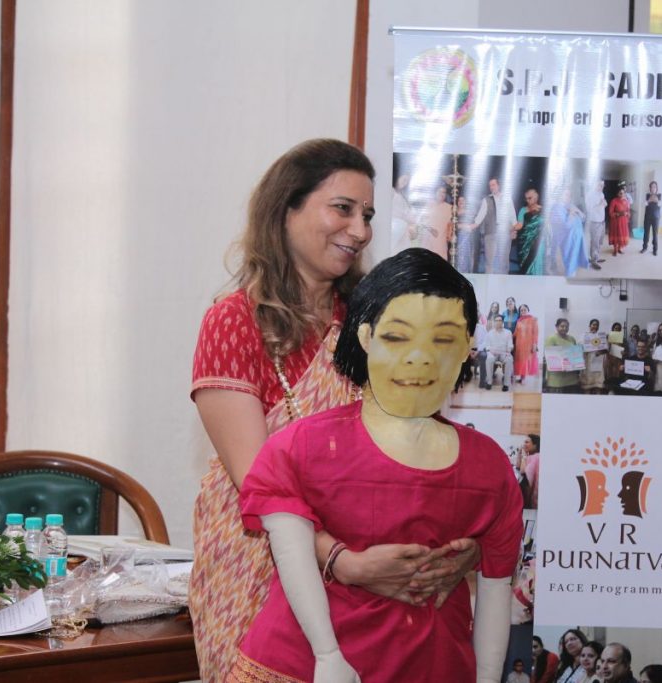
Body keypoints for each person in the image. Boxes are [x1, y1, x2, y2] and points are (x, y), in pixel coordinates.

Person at [189, 140, 477, 681]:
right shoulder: (234, 323)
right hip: (262, 564)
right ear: (287, 209)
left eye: (366, 214)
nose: (361, 229)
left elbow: (421, 445)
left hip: (377, 577)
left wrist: (457, 551)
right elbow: (258, 485)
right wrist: (342, 562)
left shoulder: (376, 321)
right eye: (342, 208)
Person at [232, 248, 523, 682]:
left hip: (432, 664)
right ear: (366, 337)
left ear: (467, 347)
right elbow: (290, 554)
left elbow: (498, 584)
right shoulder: (302, 447)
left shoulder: (489, 467)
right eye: (397, 336)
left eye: (443, 339)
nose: (421, 357)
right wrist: (327, 654)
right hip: (302, 666)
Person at [472, 177, 519, 274]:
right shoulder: (486, 200)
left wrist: (514, 230)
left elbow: (512, 216)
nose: (491, 187)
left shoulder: (507, 198)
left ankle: (503, 285)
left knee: (504, 261)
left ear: (499, 185)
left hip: (505, 234)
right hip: (490, 234)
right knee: (490, 261)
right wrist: (473, 225)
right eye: (490, 185)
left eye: (493, 185)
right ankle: (489, 285)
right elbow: (480, 216)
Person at [552, 188, 590, 276]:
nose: (568, 197)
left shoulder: (570, 205)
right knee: (570, 263)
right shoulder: (556, 208)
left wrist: (578, 212)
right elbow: (565, 226)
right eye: (566, 194)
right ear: (559, 195)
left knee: (576, 259)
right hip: (568, 241)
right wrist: (571, 214)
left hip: (577, 238)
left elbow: (583, 218)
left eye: (569, 195)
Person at [545, 318, 581, 393]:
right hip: (557, 379)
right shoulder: (551, 339)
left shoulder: (572, 339)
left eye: (567, 326)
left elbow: (575, 356)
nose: (564, 328)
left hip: (572, 378)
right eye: (562, 326)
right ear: (556, 327)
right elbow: (548, 358)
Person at [480, 314, 514, 391]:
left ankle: (506, 384)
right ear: (494, 322)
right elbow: (487, 345)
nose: (498, 322)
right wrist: (490, 351)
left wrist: (508, 351)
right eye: (496, 320)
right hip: (493, 352)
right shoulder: (490, 333)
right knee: (489, 359)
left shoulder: (508, 332)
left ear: (502, 322)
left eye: (500, 320)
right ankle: (489, 382)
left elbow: (510, 344)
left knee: (509, 359)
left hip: (504, 352)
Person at [516, 187, 546, 275]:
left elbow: (548, 226)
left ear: (536, 197)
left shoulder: (543, 210)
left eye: (530, 198)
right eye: (526, 199)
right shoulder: (523, 210)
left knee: (538, 263)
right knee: (526, 268)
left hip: (539, 242)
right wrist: (509, 228)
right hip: (525, 244)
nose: (528, 200)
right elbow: (519, 225)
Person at [419, 185, 453, 260]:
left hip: (441, 242)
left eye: (444, 192)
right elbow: (421, 221)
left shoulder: (449, 207)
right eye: (439, 191)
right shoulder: (428, 205)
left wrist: (449, 236)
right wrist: (430, 229)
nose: (442, 194)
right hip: (427, 240)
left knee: (440, 264)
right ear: (435, 193)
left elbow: (450, 225)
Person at [390, 173, 417, 254]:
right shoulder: (391, 191)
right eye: (404, 179)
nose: (405, 183)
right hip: (394, 231)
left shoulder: (403, 196)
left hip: (404, 233)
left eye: (407, 181)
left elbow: (410, 216)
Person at [514, 304, 540, 383]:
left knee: (526, 361)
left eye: (524, 309)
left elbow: (536, 333)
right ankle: (521, 377)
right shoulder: (519, 321)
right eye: (521, 310)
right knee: (520, 361)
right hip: (519, 344)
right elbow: (515, 333)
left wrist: (534, 345)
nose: (523, 311)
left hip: (528, 344)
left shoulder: (533, 319)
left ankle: (523, 379)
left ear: (528, 310)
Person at [586, 180, 608, 269]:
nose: (601, 187)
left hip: (601, 220)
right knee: (594, 242)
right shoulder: (589, 194)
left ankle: (596, 257)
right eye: (599, 185)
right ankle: (593, 261)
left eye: (602, 185)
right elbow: (589, 209)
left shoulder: (601, 194)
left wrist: (604, 204)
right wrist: (599, 204)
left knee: (599, 241)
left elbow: (602, 205)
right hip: (594, 221)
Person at [582, 319, 608, 394]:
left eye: (597, 325)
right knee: (587, 387)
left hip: (598, 363)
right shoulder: (584, 336)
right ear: (589, 326)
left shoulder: (601, 337)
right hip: (587, 363)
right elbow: (579, 348)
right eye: (593, 324)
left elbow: (606, 350)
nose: (595, 326)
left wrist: (601, 352)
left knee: (598, 386)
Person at [640, 181, 661, 256]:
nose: (653, 188)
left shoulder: (659, 195)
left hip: (656, 218)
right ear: (650, 188)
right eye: (652, 187)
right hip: (647, 217)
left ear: (656, 188)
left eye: (654, 186)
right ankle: (644, 247)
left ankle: (655, 250)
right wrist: (649, 200)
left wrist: (656, 200)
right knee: (646, 233)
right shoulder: (647, 195)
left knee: (655, 234)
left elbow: (660, 204)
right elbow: (644, 204)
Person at [608, 187, 631, 256]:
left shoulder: (626, 201)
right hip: (616, 221)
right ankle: (615, 249)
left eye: (623, 193)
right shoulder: (614, 201)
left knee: (622, 235)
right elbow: (610, 212)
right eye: (620, 193)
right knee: (616, 234)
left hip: (623, 221)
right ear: (617, 194)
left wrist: (627, 214)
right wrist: (619, 214)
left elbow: (628, 211)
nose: (622, 194)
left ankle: (619, 248)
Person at [520, 434, 541, 508]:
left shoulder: (535, 457)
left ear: (535, 445)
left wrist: (523, 455)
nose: (524, 444)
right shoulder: (535, 456)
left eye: (527, 442)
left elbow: (523, 471)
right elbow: (518, 465)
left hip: (535, 501)